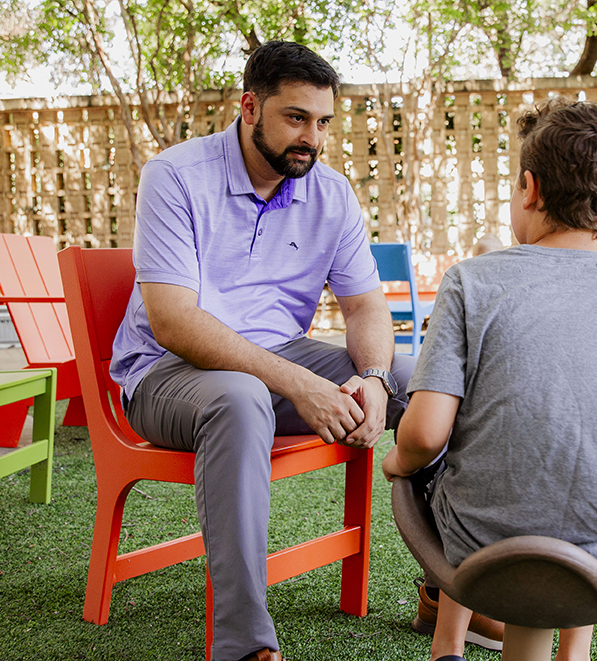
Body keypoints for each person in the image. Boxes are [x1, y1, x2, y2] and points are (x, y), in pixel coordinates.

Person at [382, 98, 597, 661]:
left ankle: (448, 640)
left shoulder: (469, 283)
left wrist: (398, 462)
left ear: (530, 190)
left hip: (479, 549)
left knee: (438, 466)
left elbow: (423, 436)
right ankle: (573, 650)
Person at [111, 41, 414, 661]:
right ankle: (243, 644)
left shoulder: (330, 193)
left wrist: (377, 379)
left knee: (426, 379)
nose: (313, 138)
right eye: (296, 118)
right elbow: (173, 322)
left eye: (323, 122)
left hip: (276, 361)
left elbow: (364, 307)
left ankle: (447, 585)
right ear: (250, 107)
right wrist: (298, 383)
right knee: (242, 395)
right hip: (169, 376)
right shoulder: (175, 177)